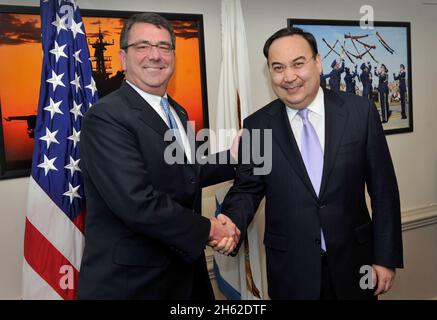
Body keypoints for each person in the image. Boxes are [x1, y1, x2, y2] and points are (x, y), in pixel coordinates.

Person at [220, 27, 403, 300]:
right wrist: (231, 223)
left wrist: (385, 257)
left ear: (317, 62)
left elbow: (383, 191)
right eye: (278, 67)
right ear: (269, 72)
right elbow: (247, 189)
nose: (289, 77)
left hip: (356, 263)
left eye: (298, 64)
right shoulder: (257, 126)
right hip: (291, 271)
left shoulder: (359, 112)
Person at [77, 13, 240, 300]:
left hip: (185, 274)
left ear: (174, 56)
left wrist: (236, 156)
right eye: (142, 46)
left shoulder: (176, 112)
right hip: (134, 284)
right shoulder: (105, 117)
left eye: (164, 47)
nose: (155, 55)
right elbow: (137, 202)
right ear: (123, 58)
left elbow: (187, 172)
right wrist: (211, 228)